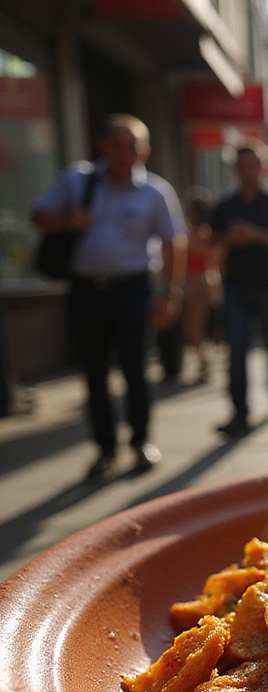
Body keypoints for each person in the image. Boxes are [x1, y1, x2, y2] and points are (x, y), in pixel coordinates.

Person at [32, 113, 186, 479]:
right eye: (117, 145)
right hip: (85, 290)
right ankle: (105, 448)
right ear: (103, 146)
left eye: (131, 147)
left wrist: (170, 294)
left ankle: (140, 442)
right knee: (94, 371)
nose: (123, 154)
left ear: (143, 152)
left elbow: (172, 242)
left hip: (132, 289)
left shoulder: (155, 191)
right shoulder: (78, 179)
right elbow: (38, 216)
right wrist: (68, 221)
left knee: (135, 368)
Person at [209, 141, 268, 436]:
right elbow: (210, 241)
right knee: (236, 351)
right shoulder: (226, 206)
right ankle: (239, 412)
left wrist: (255, 235)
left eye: (253, 165)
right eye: (242, 165)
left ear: (264, 167)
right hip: (236, 288)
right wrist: (228, 239)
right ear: (235, 169)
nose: (248, 171)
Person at [181, 187, 218, 384]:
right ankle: (204, 362)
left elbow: (209, 255)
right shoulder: (190, 230)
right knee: (192, 327)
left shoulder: (205, 232)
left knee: (195, 326)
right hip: (189, 280)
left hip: (200, 280)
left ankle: (205, 363)